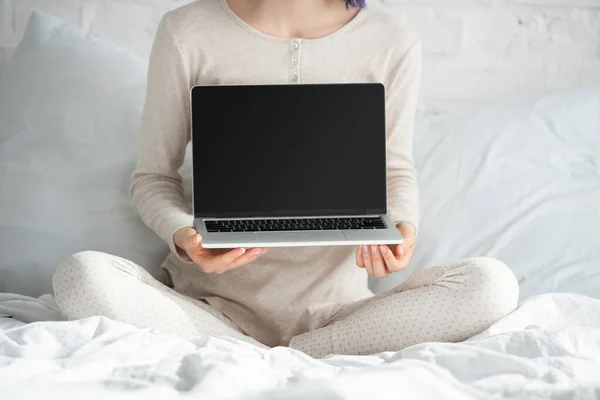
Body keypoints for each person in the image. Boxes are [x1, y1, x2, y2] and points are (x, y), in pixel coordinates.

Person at [52, 0, 519, 358]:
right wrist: (185, 236)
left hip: (340, 316)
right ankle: (243, 348)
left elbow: (394, 169)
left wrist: (401, 229)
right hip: (205, 309)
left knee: (492, 284)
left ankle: (289, 355)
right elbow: (153, 177)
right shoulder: (187, 30)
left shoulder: (390, 38)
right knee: (81, 275)